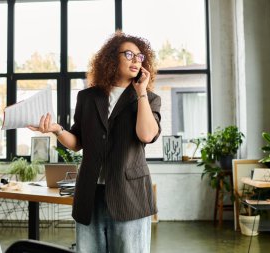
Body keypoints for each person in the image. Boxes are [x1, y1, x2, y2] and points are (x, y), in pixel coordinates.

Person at [29, 31, 161, 253]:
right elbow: (77, 142)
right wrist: (57, 129)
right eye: (129, 54)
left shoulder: (149, 99)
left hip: (129, 194)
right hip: (91, 193)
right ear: (111, 58)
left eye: (139, 57)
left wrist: (141, 93)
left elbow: (146, 135)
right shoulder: (88, 97)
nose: (135, 60)